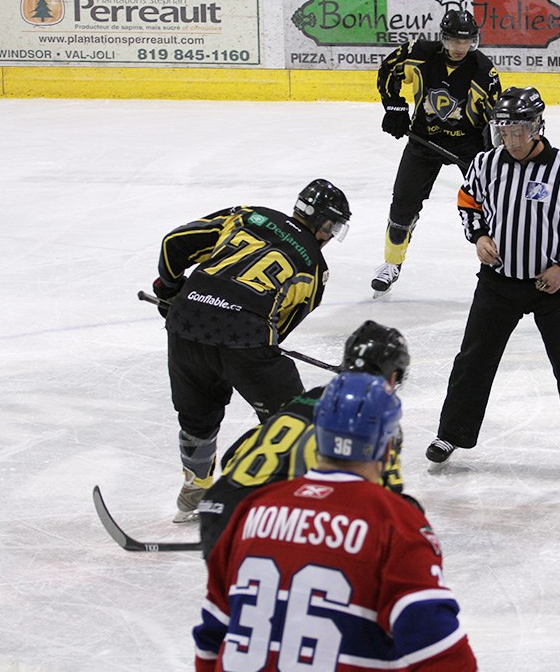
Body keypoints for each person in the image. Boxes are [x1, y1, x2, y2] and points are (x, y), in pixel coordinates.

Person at [193, 372, 478, 671]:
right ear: (386, 443)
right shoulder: (395, 522)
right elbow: (446, 657)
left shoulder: (252, 508)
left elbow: (211, 637)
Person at [152, 179, 350, 523]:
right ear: (325, 225)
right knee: (291, 421)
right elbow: (278, 329)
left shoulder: (249, 216)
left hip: (185, 321)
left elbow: (174, 243)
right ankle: (284, 503)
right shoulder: (315, 269)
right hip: (243, 336)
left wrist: (170, 289)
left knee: (197, 417)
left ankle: (196, 485)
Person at [427, 86, 560, 473]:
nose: (512, 139)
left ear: (537, 126)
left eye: (519, 130)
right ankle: (451, 432)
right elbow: (469, 200)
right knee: (474, 358)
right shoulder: (485, 164)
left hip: (551, 286)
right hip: (499, 282)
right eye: (504, 130)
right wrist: (480, 236)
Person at [198, 320, 411, 559]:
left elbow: (232, 457)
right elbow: (387, 500)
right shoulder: (373, 419)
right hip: (263, 526)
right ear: (392, 376)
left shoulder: (305, 399)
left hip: (217, 506)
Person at [372, 8, 502, 297]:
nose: (460, 47)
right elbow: (388, 70)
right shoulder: (419, 54)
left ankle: (497, 260)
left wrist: (492, 155)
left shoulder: (484, 71)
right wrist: (394, 106)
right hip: (423, 139)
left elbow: (494, 119)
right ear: (444, 39)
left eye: (466, 41)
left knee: (492, 203)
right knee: (403, 203)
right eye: (455, 41)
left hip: (468, 145)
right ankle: (391, 263)